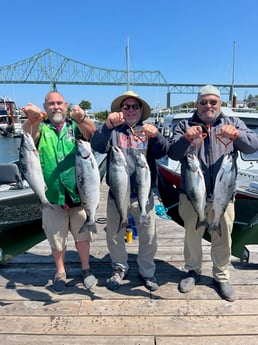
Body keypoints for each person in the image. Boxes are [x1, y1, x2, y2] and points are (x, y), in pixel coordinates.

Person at [168, 84, 258, 302]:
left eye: (213, 102)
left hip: (224, 194)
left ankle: (221, 275)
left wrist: (238, 136)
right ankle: (192, 271)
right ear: (197, 104)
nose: (208, 106)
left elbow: (252, 145)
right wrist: (185, 139)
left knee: (223, 235)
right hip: (191, 194)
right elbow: (172, 151)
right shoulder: (184, 125)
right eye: (203, 102)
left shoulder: (233, 122)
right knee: (192, 234)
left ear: (219, 104)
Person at [91, 90, 168, 291]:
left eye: (135, 106)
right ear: (120, 110)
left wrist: (157, 136)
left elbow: (163, 151)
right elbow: (97, 146)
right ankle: (118, 268)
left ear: (141, 110)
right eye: (127, 106)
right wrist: (107, 126)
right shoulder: (113, 131)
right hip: (117, 194)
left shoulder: (148, 130)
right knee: (115, 235)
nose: (131, 110)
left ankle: (147, 272)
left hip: (143, 195)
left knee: (149, 235)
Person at [22, 91, 97, 294]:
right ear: (45, 107)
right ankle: (61, 272)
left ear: (66, 105)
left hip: (79, 195)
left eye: (59, 103)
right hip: (53, 197)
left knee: (83, 237)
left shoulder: (75, 126)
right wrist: (33, 118)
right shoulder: (40, 128)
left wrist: (82, 118)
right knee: (57, 239)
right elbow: (27, 134)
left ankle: (86, 269)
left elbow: (93, 134)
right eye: (51, 104)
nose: (56, 107)